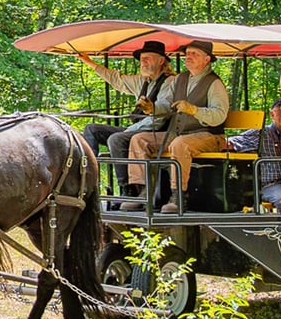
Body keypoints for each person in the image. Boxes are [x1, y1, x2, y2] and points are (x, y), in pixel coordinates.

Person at [125, 40, 230, 213]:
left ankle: (178, 196)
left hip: (210, 135)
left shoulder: (214, 83)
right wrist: (152, 108)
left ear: (207, 59)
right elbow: (166, 106)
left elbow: (219, 115)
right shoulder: (180, 79)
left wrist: (194, 110)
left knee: (180, 144)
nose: (188, 57)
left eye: (194, 54)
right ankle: (142, 193)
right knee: (139, 139)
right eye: (187, 54)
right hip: (178, 133)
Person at [76, 40, 177, 204]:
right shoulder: (143, 81)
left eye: (148, 58)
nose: (143, 62)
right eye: (142, 58)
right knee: (92, 129)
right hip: (137, 128)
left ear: (161, 61)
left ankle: (127, 190)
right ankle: (88, 182)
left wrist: (133, 126)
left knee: (116, 139)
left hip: (155, 132)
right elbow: (117, 80)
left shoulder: (170, 82)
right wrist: (89, 62)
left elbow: (161, 115)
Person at [225, 99, 281, 209]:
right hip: (270, 186)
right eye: (280, 112)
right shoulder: (260, 134)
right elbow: (231, 142)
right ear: (272, 114)